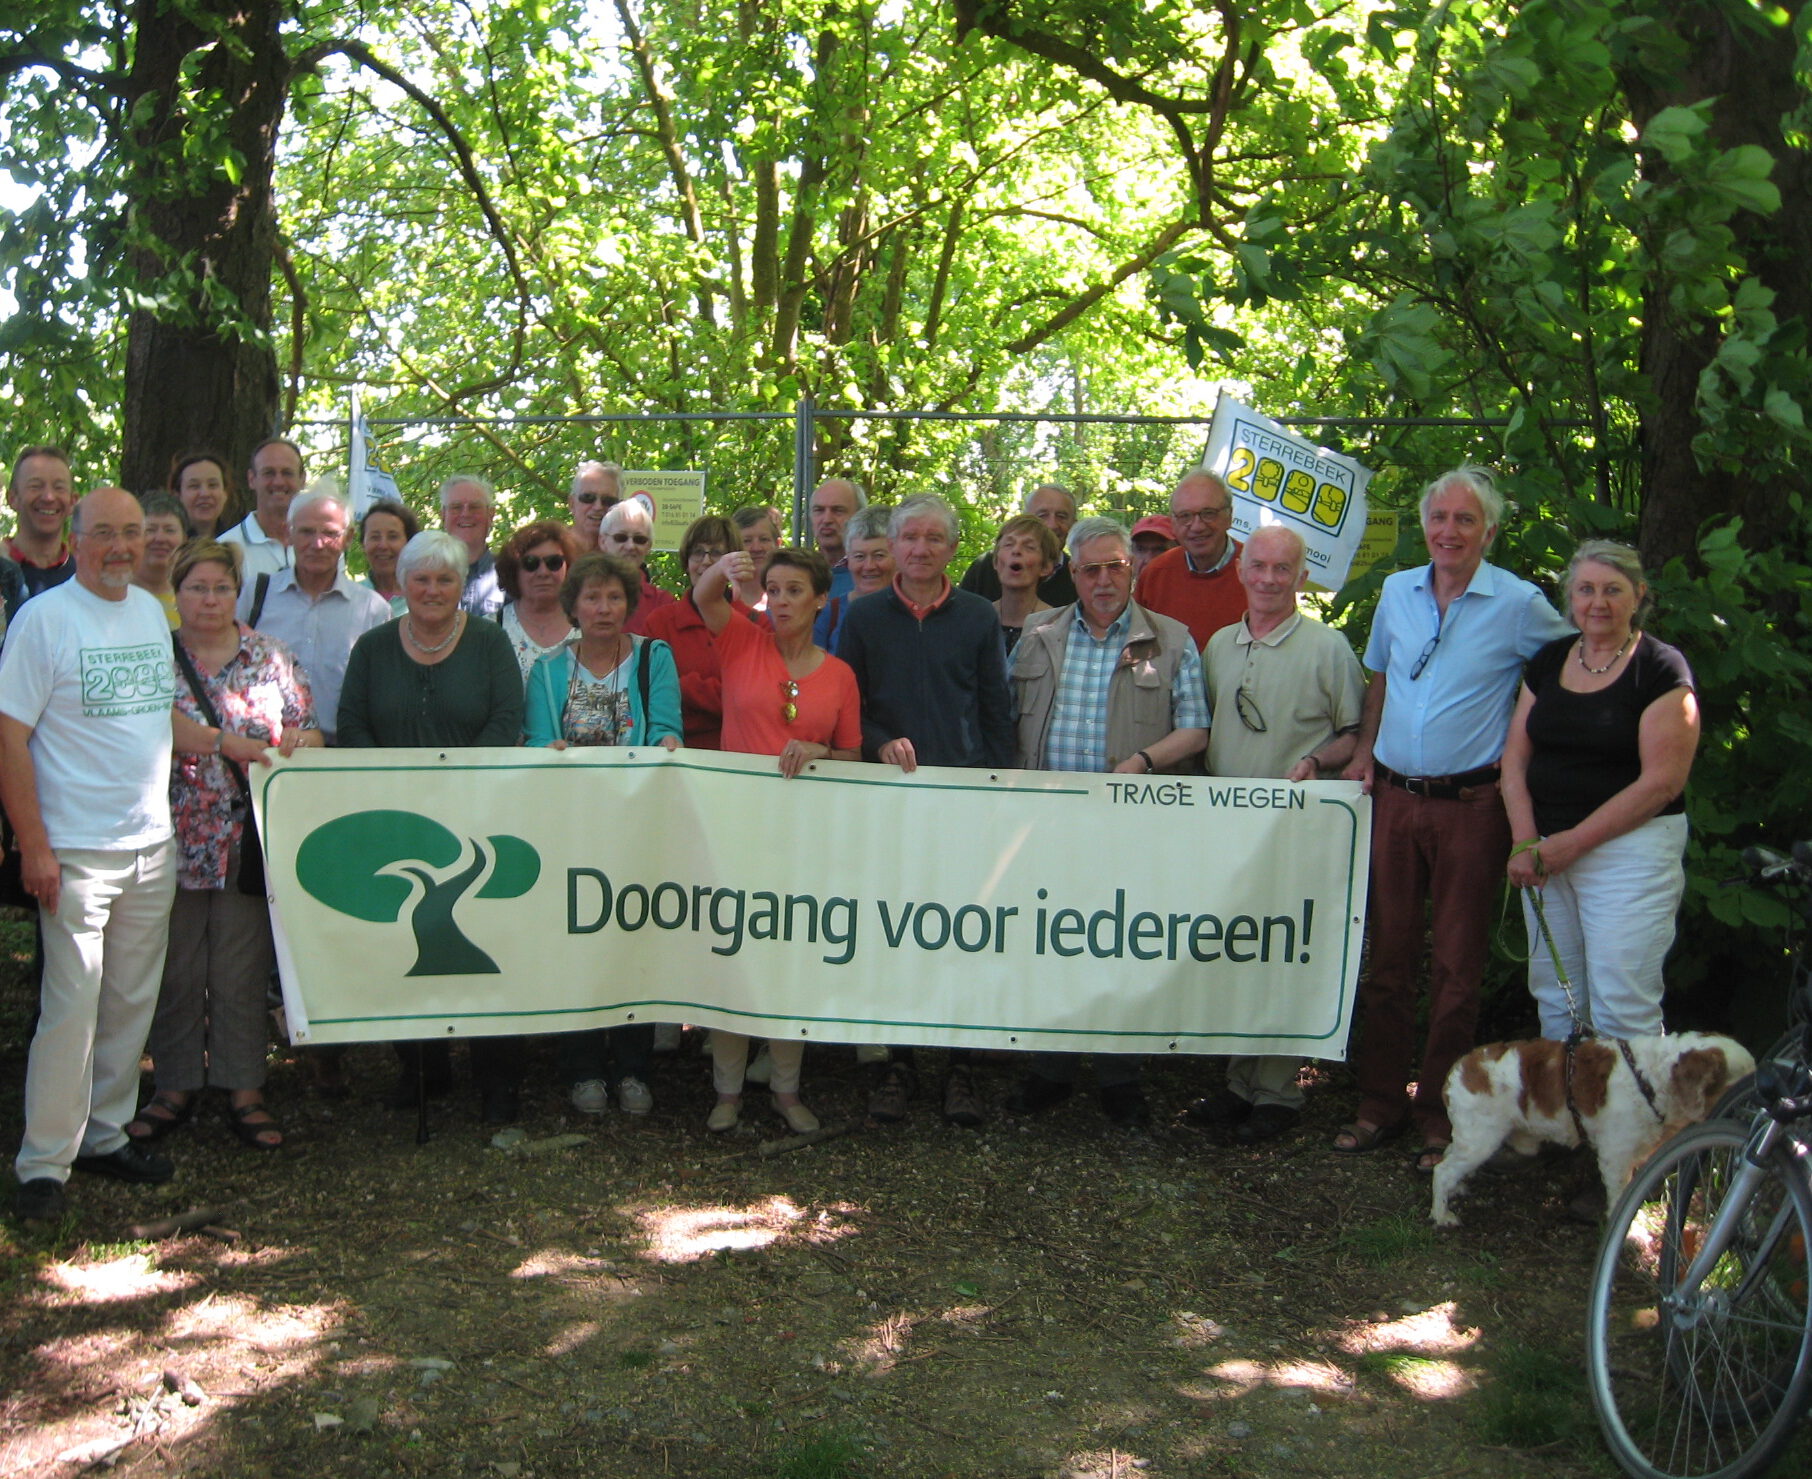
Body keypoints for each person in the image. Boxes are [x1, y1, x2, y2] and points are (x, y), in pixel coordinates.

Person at [1, 488, 250, 1221]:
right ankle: (44, 1162)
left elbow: (153, 712)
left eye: (131, 533)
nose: (119, 546)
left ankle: (104, 1134)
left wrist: (222, 741)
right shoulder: (42, 620)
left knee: (129, 1002)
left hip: (150, 843)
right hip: (74, 849)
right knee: (71, 1005)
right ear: (76, 538)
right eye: (103, 532)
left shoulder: (149, 610)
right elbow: (9, 735)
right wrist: (34, 845)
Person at [1338, 465, 1572, 1173]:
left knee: (1457, 968)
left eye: (1465, 520)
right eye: (1439, 518)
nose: (1449, 531)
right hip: (1395, 798)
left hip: (1473, 805)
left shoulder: (1522, 604)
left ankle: (1440, 1112)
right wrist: (1363, 754)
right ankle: (1378, 1101)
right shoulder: (1395, 592)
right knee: (1388, 958)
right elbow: (1380, 678)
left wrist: (1533, 753)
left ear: (1489, 532)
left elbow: (1569, 669)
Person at [1002, 517, 1209, 1129]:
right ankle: (1051, 1069)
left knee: (1121, 943)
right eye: (1089, 569)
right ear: (1071, 574)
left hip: (1130, 826)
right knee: (1051, 939)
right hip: (1047, 824)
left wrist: (1144, 761)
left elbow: (1196, 728)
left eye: (1114, 566)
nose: (1102, 579)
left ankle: (1120, 1075)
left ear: (1133, 569)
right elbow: (1005, 714)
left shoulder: (1172, 640)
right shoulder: (1039, 634)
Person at [132, 540, 322, 1152]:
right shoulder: (152, 658)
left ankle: (244, 1087)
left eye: (220, 588)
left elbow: (311, 729)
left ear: (235, 593)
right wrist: (221, 741)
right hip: (170, 832)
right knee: (178, 967)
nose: (209, 599)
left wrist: (302, 741)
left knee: (240, 970)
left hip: (246, 839)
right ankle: (175, 1084)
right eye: (196, 588)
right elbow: (145, 724)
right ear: (177, 594)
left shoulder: (271, 658)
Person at [838, 492, 1014, 1126]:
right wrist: (877, 739)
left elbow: (996, 706)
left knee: (962, 930)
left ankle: (961, 1065)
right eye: (908, 537)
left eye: (932, 539)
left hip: (962, 796)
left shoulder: (977, 617)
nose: (918, 549)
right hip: (888, 799)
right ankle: (898, 1064)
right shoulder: (862, 617)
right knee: (896, 928)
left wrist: (999, 786)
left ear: (951, 548)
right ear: (895, 544)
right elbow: (846, 705)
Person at [338, 530, 526, 1122]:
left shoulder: (492, 643)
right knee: (407, 940)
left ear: (461, 584)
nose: (433, 589)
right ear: (402, 583)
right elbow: (352, 723)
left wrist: (459, 780)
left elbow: (506, 720)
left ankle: (497, 1079)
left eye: (445, 578)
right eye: (421, 578)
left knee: (488, 939)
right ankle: (422, 1067)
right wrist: (398, 783)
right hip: (401, 821)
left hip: (479, 819)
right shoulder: (372, 648)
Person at [1187, 525, 1365, 1143]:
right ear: (1241, 569)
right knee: (1236, 950)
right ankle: (1237, 1081)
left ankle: (1279, 1090)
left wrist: (1317, 761)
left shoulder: (1327, 648)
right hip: (1226, 832)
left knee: (1285, 951)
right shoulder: (1217, 646)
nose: (1267, 579)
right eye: (1258, 566)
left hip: (1296, 833)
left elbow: (1354, 730)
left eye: (1281, 569)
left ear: (1301, 577)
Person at [692, 544, 861, 1133]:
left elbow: (852, 757)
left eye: (796, 591)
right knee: (732, 955)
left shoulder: (840, 676)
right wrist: (726, 565)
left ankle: (787, 1090)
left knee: (792, 960)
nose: (784, 601)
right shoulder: (741, 640)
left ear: (821, 599)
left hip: (802, 838)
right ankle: (728, 1092)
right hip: (734, 827)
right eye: (775, 590)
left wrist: (819, 751)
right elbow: (704, 595)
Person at [1502, 540, 1699, 1041]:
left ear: (1639, 596)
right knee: (1557, 999)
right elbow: (1515, 759)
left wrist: (1573, 843)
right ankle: (1567, 1118)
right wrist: (1526, 841)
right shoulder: (1548, 661)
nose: (1598, 603)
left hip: (1630, 854)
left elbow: (1662, 783)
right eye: (1586, 589)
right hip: (1545, 852)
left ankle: (1632, 1120)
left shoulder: (1660, 669)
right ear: (1570, 597)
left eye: (1613, 590)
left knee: (1620, 1005)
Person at [524, 552, 681, 1117]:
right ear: (574, 606)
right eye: (592, 597)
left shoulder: (652, 658)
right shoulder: (546, 670)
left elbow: (667, 725)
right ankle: (584, 1067)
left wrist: (667, 744)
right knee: (578, 943)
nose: (604, 608)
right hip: (571, 829)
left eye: (615, 597)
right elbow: (536, 739)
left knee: (634, 938)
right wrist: (548, 751)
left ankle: (634, 1067)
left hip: (636, 825)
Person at [238, 488, 391, 747]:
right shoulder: (257, 594)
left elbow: (382, 697)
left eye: (330, 533)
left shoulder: (372, 610)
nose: (317, 544)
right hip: (268, 755)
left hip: (342, 755)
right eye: (307, 532)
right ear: (289, 534)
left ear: (348, 538)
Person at [640, 514, 753, 751]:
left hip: (742, 756)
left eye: (716, 553)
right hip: (676, 753)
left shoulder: (755, 623)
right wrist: (723, 694)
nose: (706, 561)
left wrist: (680, 685)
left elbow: (755, 699)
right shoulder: (659, 623)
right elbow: (650, 696)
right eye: (697, 552)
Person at [1135, 470, 1246, 649]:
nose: (1197, 526)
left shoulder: (1260, 572)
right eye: (1185, 516)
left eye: (1208, 513)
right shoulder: (1155, 575)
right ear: (1174, 522)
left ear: (1229, 516)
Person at [495, 520, 584, 682]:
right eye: (531, 563)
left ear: (569, 567)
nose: (543, 572)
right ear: (514, 570)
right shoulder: (491, 630)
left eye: (553, 562)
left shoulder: (589, 626)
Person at [959, 483, 1078, 605]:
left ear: (1074, 524)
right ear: (1025, 520)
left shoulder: (1078, 576)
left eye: (1061, 517)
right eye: (1042, 516)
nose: (1052, 524)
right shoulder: (984, 568)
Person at [220, 438, 305, 580]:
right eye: (269, 473)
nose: (278, 482)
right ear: (252, 479)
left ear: (302, 479)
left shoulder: (321, 547)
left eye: (287, 473)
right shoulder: (225, 549)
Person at [815, 503, 892, 650]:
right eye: (859, 556)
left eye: (879, 556)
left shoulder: (914, 612)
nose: (869, 566)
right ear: (848, 559)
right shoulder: (831, 613)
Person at [6, 445, 77, 599]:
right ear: (12, 499)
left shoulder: (87, 578)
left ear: (72, 502)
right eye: (35, 486)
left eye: (59, 487)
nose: (49, 497)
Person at [599, 495, 679, 632]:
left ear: (649, 546)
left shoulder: (663, 603)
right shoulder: (582, 595)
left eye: (639, 539)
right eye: (621, 538)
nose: (630, 546)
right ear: (603, 542)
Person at [990, 513, 1062, 653]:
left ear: (1046, 567)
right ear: (996, 562)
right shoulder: (977, 619)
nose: (1016, 550)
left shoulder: (1057, 625)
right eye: (1008, 544)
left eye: (1029, 547)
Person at [439, 474, 503, 618]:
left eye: (475, 507)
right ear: (443, 515)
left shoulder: (512, 575)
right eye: (456, 507)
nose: (466, 514)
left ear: (491, 514)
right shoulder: (424, 574)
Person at [133, 492, 187, 627]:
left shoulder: (194, 595)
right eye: (150, 530)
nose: (160, 539)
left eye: (169, 530)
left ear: (184, 538)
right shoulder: (116, 593)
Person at [809, 476, 865, 602]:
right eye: (819, 510)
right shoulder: (799, 572)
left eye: (838, 511)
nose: (827, 520)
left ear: (859, 516)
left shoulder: (872, 574)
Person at [358, 497, 419, 609]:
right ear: (363, 544)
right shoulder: (351, 598)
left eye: (393, 537)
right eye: (375, 537)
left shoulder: (423, 597)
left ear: (410, 543)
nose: (383, 545)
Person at [170, 451, 237, 540]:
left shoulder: (238, 543)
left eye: (212, 485)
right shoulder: (167, 547)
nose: (205, 494)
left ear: (225, 493)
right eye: (194, 486)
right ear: (177, 496)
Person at [569, 460, 621, 545]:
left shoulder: (625, 553)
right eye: (588, 497)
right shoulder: (549, 549)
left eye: (608, 500)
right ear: (572, 503)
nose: (598, 507)